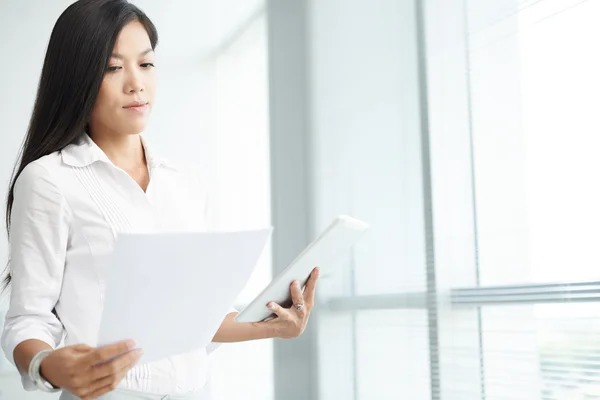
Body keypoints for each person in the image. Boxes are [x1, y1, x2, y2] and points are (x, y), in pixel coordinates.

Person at [0, 1, 320, 399]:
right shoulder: (50, 181)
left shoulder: (186, 183)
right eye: (113, 67)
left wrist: (272, 326)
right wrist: (46, 365)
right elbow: (26, 320)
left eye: (146, 64)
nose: (136, 83)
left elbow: (193, 320)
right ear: (77, 77)